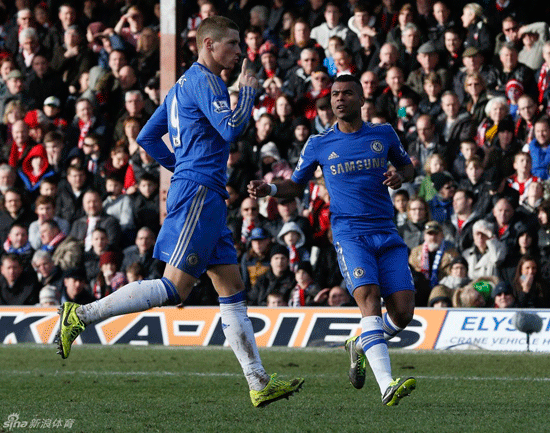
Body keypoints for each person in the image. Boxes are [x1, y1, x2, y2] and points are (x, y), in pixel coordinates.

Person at [55, 16, 304, 408]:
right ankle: (80, 315)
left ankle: (258, 382)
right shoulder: (208, 81)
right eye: (233, 44)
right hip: (199, 193)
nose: (240, 51)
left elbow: (146, 137)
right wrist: (249, 92)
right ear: (209, 44)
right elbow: (230, 129)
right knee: (174, 288)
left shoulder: (181, 86)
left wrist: (182, 163)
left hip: (205, 193)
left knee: (232, 292)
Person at [248, 74, 416, 406]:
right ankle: (386, 385)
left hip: (386, 231)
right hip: (350, 234)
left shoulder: (383, 134)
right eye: (335, 94)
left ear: (362, 100)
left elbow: (409, 168)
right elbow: (296, 185)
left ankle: (359, 343)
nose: (340, 99)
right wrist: (269, 188)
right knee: (369, 297)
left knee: (403, 314)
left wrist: (400, 176)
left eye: (347, 94)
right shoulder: (318, 143)